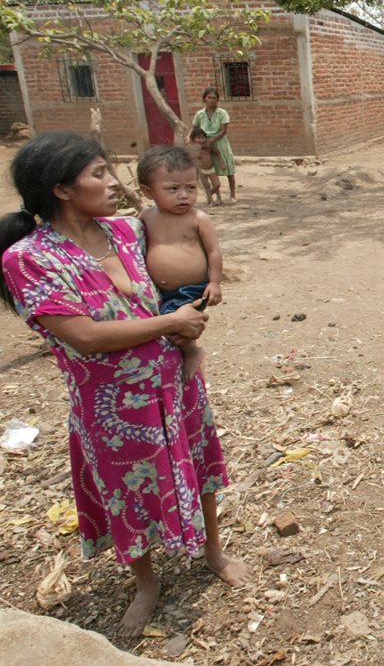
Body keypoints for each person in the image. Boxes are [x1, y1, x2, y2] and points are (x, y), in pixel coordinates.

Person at [0, 132, 249, 639]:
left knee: (198, 463)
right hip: (111, 406)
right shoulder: (29, 258)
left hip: (174, 382)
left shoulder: (127, 233)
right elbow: (85, 337)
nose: (114, 183)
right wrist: (170, 324)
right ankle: (145, 581)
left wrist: (192, 319)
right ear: (62, 190)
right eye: (99, 174)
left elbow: (171, 279)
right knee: (125, 490)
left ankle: (213, 551)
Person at [138, 145, 224, 381]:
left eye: (191, 188)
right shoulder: (146, 217)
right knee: (163, 329)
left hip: (190, 289)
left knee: (176, 329)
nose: (184, 195)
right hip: (157, 291)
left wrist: (215, 283)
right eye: (173, 189)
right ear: (147, 192)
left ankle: (192, 352)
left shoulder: (197, 219)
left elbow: (214, 251)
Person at [192, 87, 237, 204]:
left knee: (228, 169)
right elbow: (195, 128)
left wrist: (211, 140)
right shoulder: (200, 114)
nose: (212, 100)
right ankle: (217, 197)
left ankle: (232, 194)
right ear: (204, 99)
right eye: (209, 97)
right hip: (204, 144)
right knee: (211, 170)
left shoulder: (222, 113)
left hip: (220, 142)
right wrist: (192, 139)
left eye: (214, 98)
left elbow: (223, 130)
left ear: (217, 100)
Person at [188, 127, 225, 206]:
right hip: (201, 170)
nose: (201, 140)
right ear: (193, 139)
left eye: (203, 137)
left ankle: (217, 198)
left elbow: (217, 153)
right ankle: (211, 201)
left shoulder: (208, 144)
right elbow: (193, 160)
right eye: (198, 138)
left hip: (211, 169)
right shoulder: (193, 148)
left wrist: (222, 161)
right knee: (207, 186)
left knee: (217, 185)